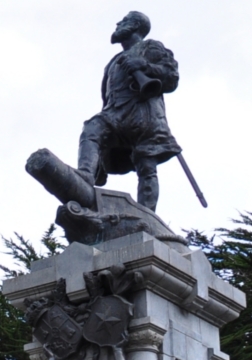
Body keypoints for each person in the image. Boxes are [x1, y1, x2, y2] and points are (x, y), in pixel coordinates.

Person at [77, 11, 181, 212]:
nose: (118, 23)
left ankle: (147, 214)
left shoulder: (151, 47)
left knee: (146, 164)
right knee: (92, 128)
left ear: (135, 26)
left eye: (124, 21)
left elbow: (171, 77)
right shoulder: (114, 61)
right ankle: (85, 175)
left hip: (143, 116)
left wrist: (145, 66)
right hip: (115, 113)